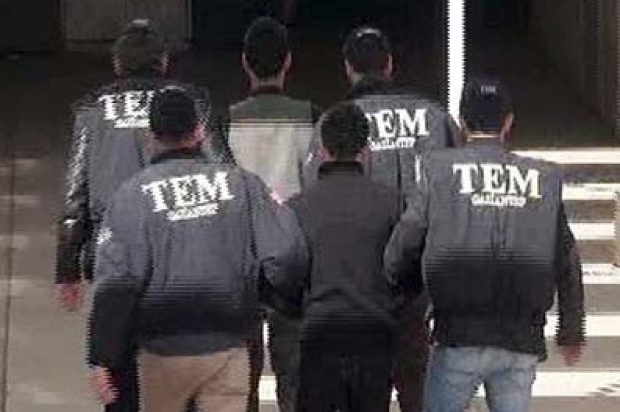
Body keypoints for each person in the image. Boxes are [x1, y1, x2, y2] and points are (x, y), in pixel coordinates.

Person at [87, 87, 305, 412]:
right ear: (200, 131)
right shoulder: (242, 184)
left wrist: (103, 355)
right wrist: (271, 299)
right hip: (229, 344)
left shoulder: (131, 197)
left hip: (161, 351)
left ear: (150, 138)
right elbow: (286, 253)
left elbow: (117, 282)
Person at [384, 78, 586, 412]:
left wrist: (401, 293)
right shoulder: (544, 178)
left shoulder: (439, 170)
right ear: (509, 122)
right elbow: (567, 259)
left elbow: (406, 242)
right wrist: (571, 330)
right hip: (521, 339)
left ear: (461, 122)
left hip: (459, 335)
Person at [54, 19, 212, 412]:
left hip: (115, 260)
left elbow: (76, 194)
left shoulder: (93, 110)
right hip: (179, 256)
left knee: (118, 376)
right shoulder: (190, 102)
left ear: (117, 64)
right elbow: (221, 171)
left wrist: (68, 268)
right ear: (163, 63)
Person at [304, 26, 461, 412]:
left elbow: (316, 193)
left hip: (358, 283)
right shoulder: (435, 117)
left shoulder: (335, 122)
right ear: (390, 64)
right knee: (415, 376)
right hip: (419, 276)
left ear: (348, 68)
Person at [264, 102, 418, 412]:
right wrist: (392, 305)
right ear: (366, 150)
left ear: (322, 150)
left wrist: (298, 308)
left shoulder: (297, 208)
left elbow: (282, 275)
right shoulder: (392, 203)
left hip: (320, 334)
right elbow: (409, 269)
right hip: (375, 333)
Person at [219, 16, 321, 412]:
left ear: (245, 62)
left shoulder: (226, 120)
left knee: (242, 376)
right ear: (288, 62)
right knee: (293, 375)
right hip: (292, 258)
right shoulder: (311, 116)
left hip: (241, 259)